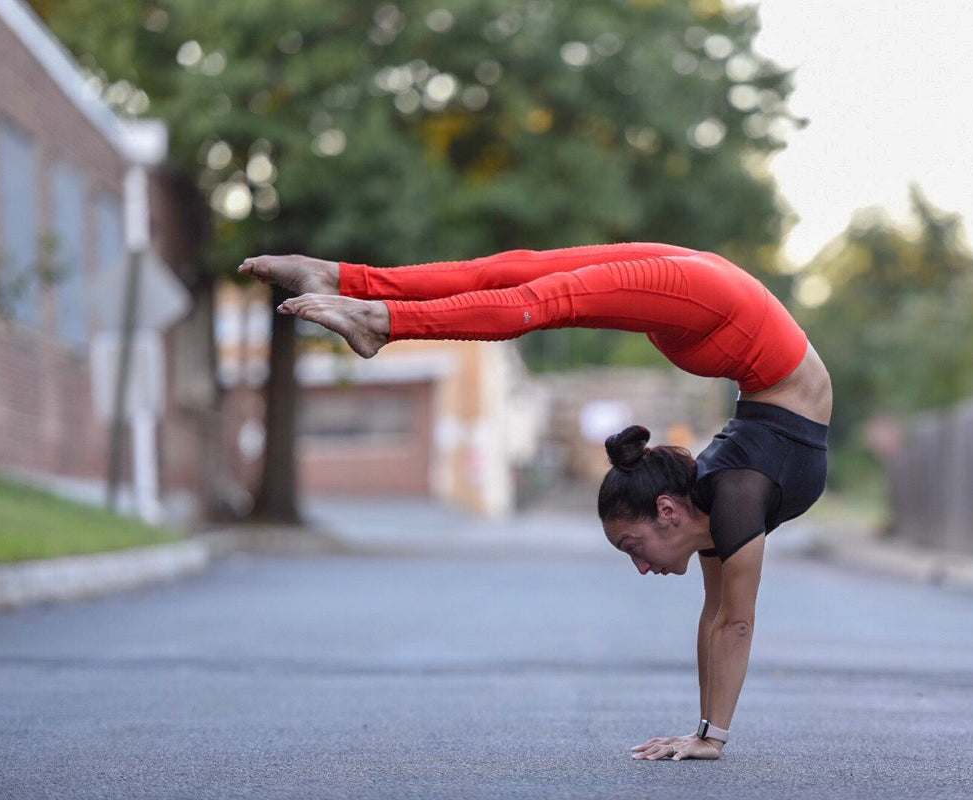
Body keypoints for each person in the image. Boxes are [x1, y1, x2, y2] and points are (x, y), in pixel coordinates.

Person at [239, 243, 832, 761]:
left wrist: (707, 735)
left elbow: (724, 620)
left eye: (632, 547)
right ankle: (358, 295)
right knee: (532, 285)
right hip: (719, 307)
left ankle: (366, 301)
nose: (640, 565)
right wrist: (709, 736)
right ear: (669, 511)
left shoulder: (720, 501)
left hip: (722, 308)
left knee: (530, 279)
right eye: (632, 549)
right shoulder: (728, 498)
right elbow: (730, 622)